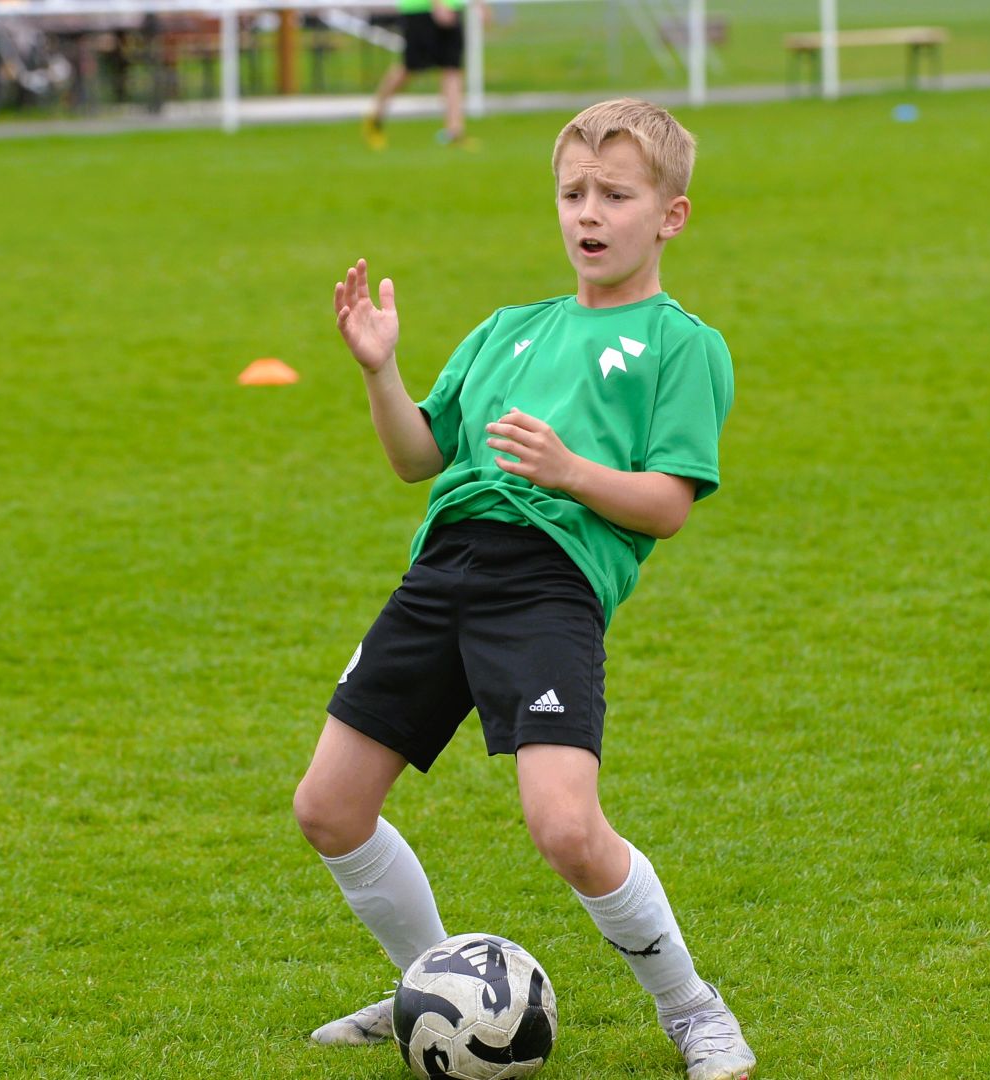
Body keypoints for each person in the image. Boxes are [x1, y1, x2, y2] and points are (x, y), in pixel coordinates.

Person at [296, 98, 754, 1080]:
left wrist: (569, 472)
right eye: (573, 193)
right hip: (441, 572)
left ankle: (694, 1010)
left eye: (616, 196)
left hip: (547, 585)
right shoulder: (507, 329)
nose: (589, 213)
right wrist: (380, 371)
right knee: (329, 807)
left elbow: (668, 505)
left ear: (670, 216)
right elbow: (418, 458)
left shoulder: (682, 345)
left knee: (565, 826)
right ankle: (434, 985)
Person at [364, 0, 472, 149]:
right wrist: (438, 4)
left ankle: (455, 132)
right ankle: (375, 116)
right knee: (409, 67)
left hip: (452, 7)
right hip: (421, 9)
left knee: (452, 68)